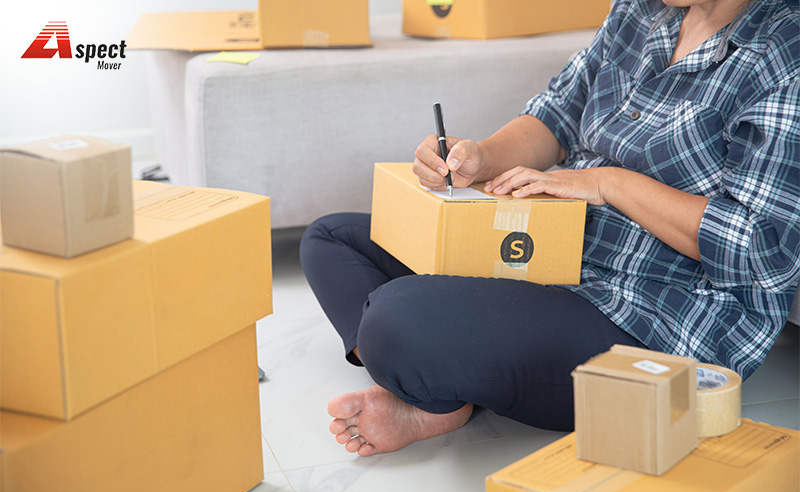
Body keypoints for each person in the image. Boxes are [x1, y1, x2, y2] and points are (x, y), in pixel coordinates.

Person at [299, 0, 800, 457]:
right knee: (333, 237)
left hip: (653, 313)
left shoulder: (783, 49)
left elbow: (763, 249)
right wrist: (480, 158)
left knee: (397, 319)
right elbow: (555, 116)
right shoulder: (641, 10)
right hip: (554, 249)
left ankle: (431, 378)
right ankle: (434, 389)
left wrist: (609, 183)